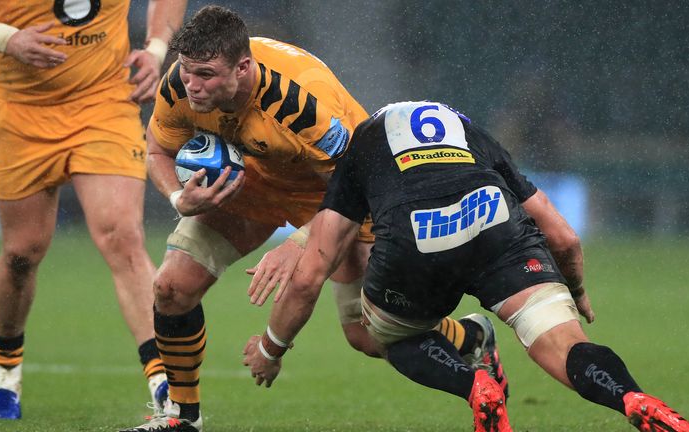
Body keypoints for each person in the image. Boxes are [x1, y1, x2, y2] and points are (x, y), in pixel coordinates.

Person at [116, 6, 503, 432]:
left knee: (369, 334)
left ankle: (472, 336)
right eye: (188, 72)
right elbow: (156, 151)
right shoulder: (181, 85)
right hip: (252, 188)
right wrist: (178, 196)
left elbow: (355, 183)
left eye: (205, 75)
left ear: (243, 68)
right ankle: (181, 418)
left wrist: (299, 242)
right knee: (171, 288)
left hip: (344, 194)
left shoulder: (301, 103)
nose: (192, 86)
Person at [242, 101, 689, 432]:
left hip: (415, 240)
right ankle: (631, 397)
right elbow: (563, 236)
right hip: (495, 226)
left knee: (393, 334)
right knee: (562, 343)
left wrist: (271, 348)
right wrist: (574, 289)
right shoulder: (474, 135)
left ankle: (475, 383)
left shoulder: (363, 144)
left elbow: (310, 274)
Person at [0, 0, 187, 420]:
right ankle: (5, 373)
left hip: (103, 104)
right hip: (20, 112)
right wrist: (7, 39)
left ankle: (164, 381)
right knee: (22, 253)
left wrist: (156, 50)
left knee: (123, 237)